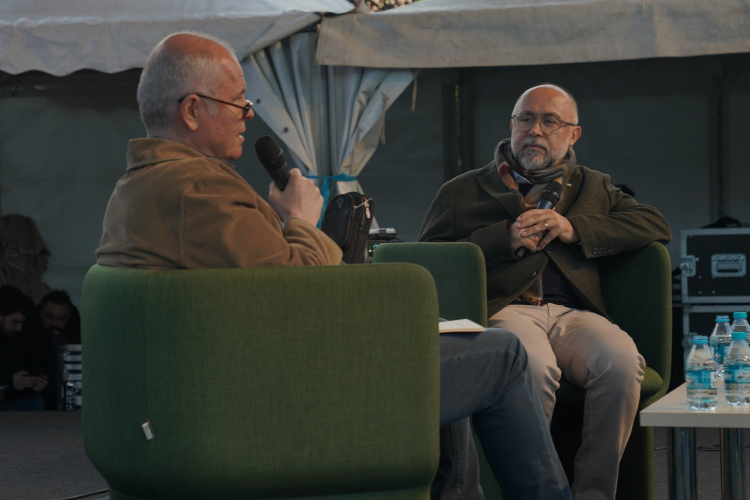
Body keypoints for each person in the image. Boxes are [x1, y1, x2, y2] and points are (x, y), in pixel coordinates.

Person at [96, 33, 571, 499]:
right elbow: (302, 288)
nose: (249, 113)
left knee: (449, 353)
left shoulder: (138, 187)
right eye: (239, 101)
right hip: (285, 396)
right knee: (502, 353)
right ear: (192, 110)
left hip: (223, 383)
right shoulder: (199, 192)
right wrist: (300, 219)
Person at [419, 84, 672, 499]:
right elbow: (429, 258)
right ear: (512, 126)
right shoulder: (462, 190)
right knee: (531, 367)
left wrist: (575, 229)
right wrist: (502, 240)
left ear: (573, 134)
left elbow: (653, 224)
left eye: (549, 121)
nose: (535, 130)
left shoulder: (592, 186)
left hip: (576, 314)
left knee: (623, 363)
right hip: (506, 309)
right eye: (526, 119)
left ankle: (593, 494)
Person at [0, 285, 48, 411]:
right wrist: (8, 384)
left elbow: (30, 364)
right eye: (15, 322)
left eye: (22, 323)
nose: (19, 328)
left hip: (15, 400)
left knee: (35, 401)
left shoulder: (19, 338)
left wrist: (36, 378)